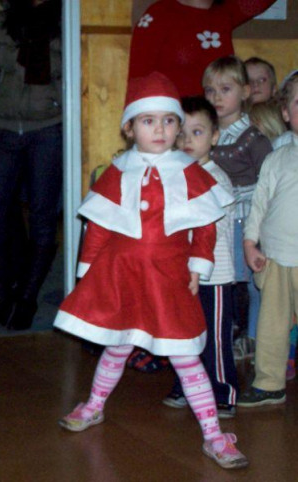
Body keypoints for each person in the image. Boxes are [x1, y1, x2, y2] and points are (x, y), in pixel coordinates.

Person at [54, 72, 247, 470]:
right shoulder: (117, 171)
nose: (159, 129)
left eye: (168, 120)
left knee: (185, 355)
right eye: (148, 120)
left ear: (177, 126)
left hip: (167, 278)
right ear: (130, 127)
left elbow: (205, 225)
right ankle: (94, 405)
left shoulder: (191, 171)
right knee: (117, 345)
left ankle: (213, 434)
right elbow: (99, 227)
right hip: (122, 274)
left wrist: (198, 264)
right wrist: (87, 272)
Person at [0, 0, 63, 332]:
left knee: (43, 216)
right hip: (3, 129)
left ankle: (27, 297)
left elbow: (76, 77)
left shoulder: (65, 20)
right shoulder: (2, 23)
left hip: (48, 130)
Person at [163, 96, 238, 418]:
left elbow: (214, 228)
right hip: (183, 273)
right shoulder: (176, 174)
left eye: (198, 132)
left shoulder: (215, 178)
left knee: (216, 338)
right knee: (186, 333)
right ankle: (187, 384)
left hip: (215, 274)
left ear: (215, 136)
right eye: (183, 133)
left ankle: (223, 390)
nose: (188, 141)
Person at [203, 55, 273, 360]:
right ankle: (222, 332)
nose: (216, 97)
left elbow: (268, 182)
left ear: (245, 92)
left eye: (225, 89)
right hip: (214, 219)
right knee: (219, 279)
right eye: (210, 91)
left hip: (244, 221)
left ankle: (252, 336)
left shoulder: (252, 139)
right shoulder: (205, 133)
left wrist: (261, 228)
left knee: (250, 283)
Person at [238, 71, 298, 407]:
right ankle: (269, 382)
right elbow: (259, 204)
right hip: (274, 257)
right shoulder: (277, 159)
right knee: (272, 325)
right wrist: (249, 243)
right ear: (286, 114)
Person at [129, 0, 275, 97]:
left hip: (215, 129)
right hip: (172, 129)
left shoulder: (224, 13)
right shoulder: (159, 14)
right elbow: (137, 81)